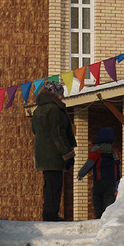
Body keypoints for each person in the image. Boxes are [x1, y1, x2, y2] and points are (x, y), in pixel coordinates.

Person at [31, 80, 77, 221]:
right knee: (54, 186)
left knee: (49, 185)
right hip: (54, 155)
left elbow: (34, 131)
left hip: (42, 155)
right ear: (54, 95)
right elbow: (58, 134)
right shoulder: (54, 110)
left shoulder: (38, 110)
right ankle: (51, 215)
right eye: (60, 94)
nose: (62, 97)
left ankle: (49, 213)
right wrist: (67, 155)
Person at [76, 127, 121, 219]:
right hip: (111, 180)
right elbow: (118, 166)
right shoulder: (114, 151)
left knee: (97, 197)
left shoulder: (96, 150)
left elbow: (89, 163)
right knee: (109, 197)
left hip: (99, 180)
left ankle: (99, 216)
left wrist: (81, 173)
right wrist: (118, 179)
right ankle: (107, 216)